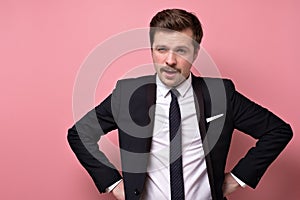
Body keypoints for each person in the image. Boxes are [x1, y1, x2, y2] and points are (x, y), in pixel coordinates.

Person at [67, 9, 293, 200]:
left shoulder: (220, 94)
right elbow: (79, 134)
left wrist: (237, 178)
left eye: (181, 50)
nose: (170, 60)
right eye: (162, 49)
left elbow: (278, 131)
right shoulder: (127, 95)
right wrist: (114, 184)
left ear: (195, 53)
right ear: (152, 50)